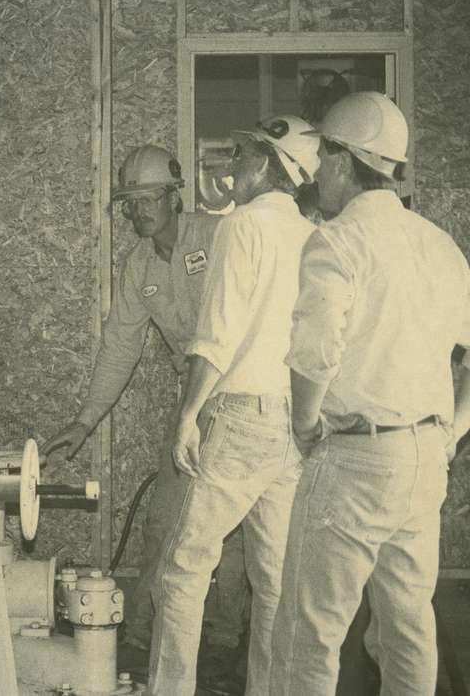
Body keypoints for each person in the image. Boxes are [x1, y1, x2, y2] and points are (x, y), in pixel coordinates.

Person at [270, 91, 470, 695]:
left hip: (354, 459)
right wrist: (453, 431)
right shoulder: (437, 244)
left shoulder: (336, 242)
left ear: (338, 158)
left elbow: (312, 357)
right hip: (423, 459)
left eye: (322, 155)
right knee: (408, 633)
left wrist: (304, 427)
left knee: (308, 637)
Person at [43, 144, 247, 658]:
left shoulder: (220, 237)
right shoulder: (138, 266)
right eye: (130, 201)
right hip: (193, 407)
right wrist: (84, 422)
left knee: (239, 535)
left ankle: (224, 647)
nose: (138, 210)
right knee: (165, 522)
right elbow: (120, 346)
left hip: (245, 398)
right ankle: (139, 643)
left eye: (148, 198)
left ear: (174, 197)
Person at [148, 115, 320, 696]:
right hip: (292, 423)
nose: (233, 165)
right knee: (274, 581)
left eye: (244, 154)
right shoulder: (312, 233)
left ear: (270, 166)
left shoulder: (241, 225)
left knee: (181, 572)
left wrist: (188, 415)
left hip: (241, 416)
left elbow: (217, 333)